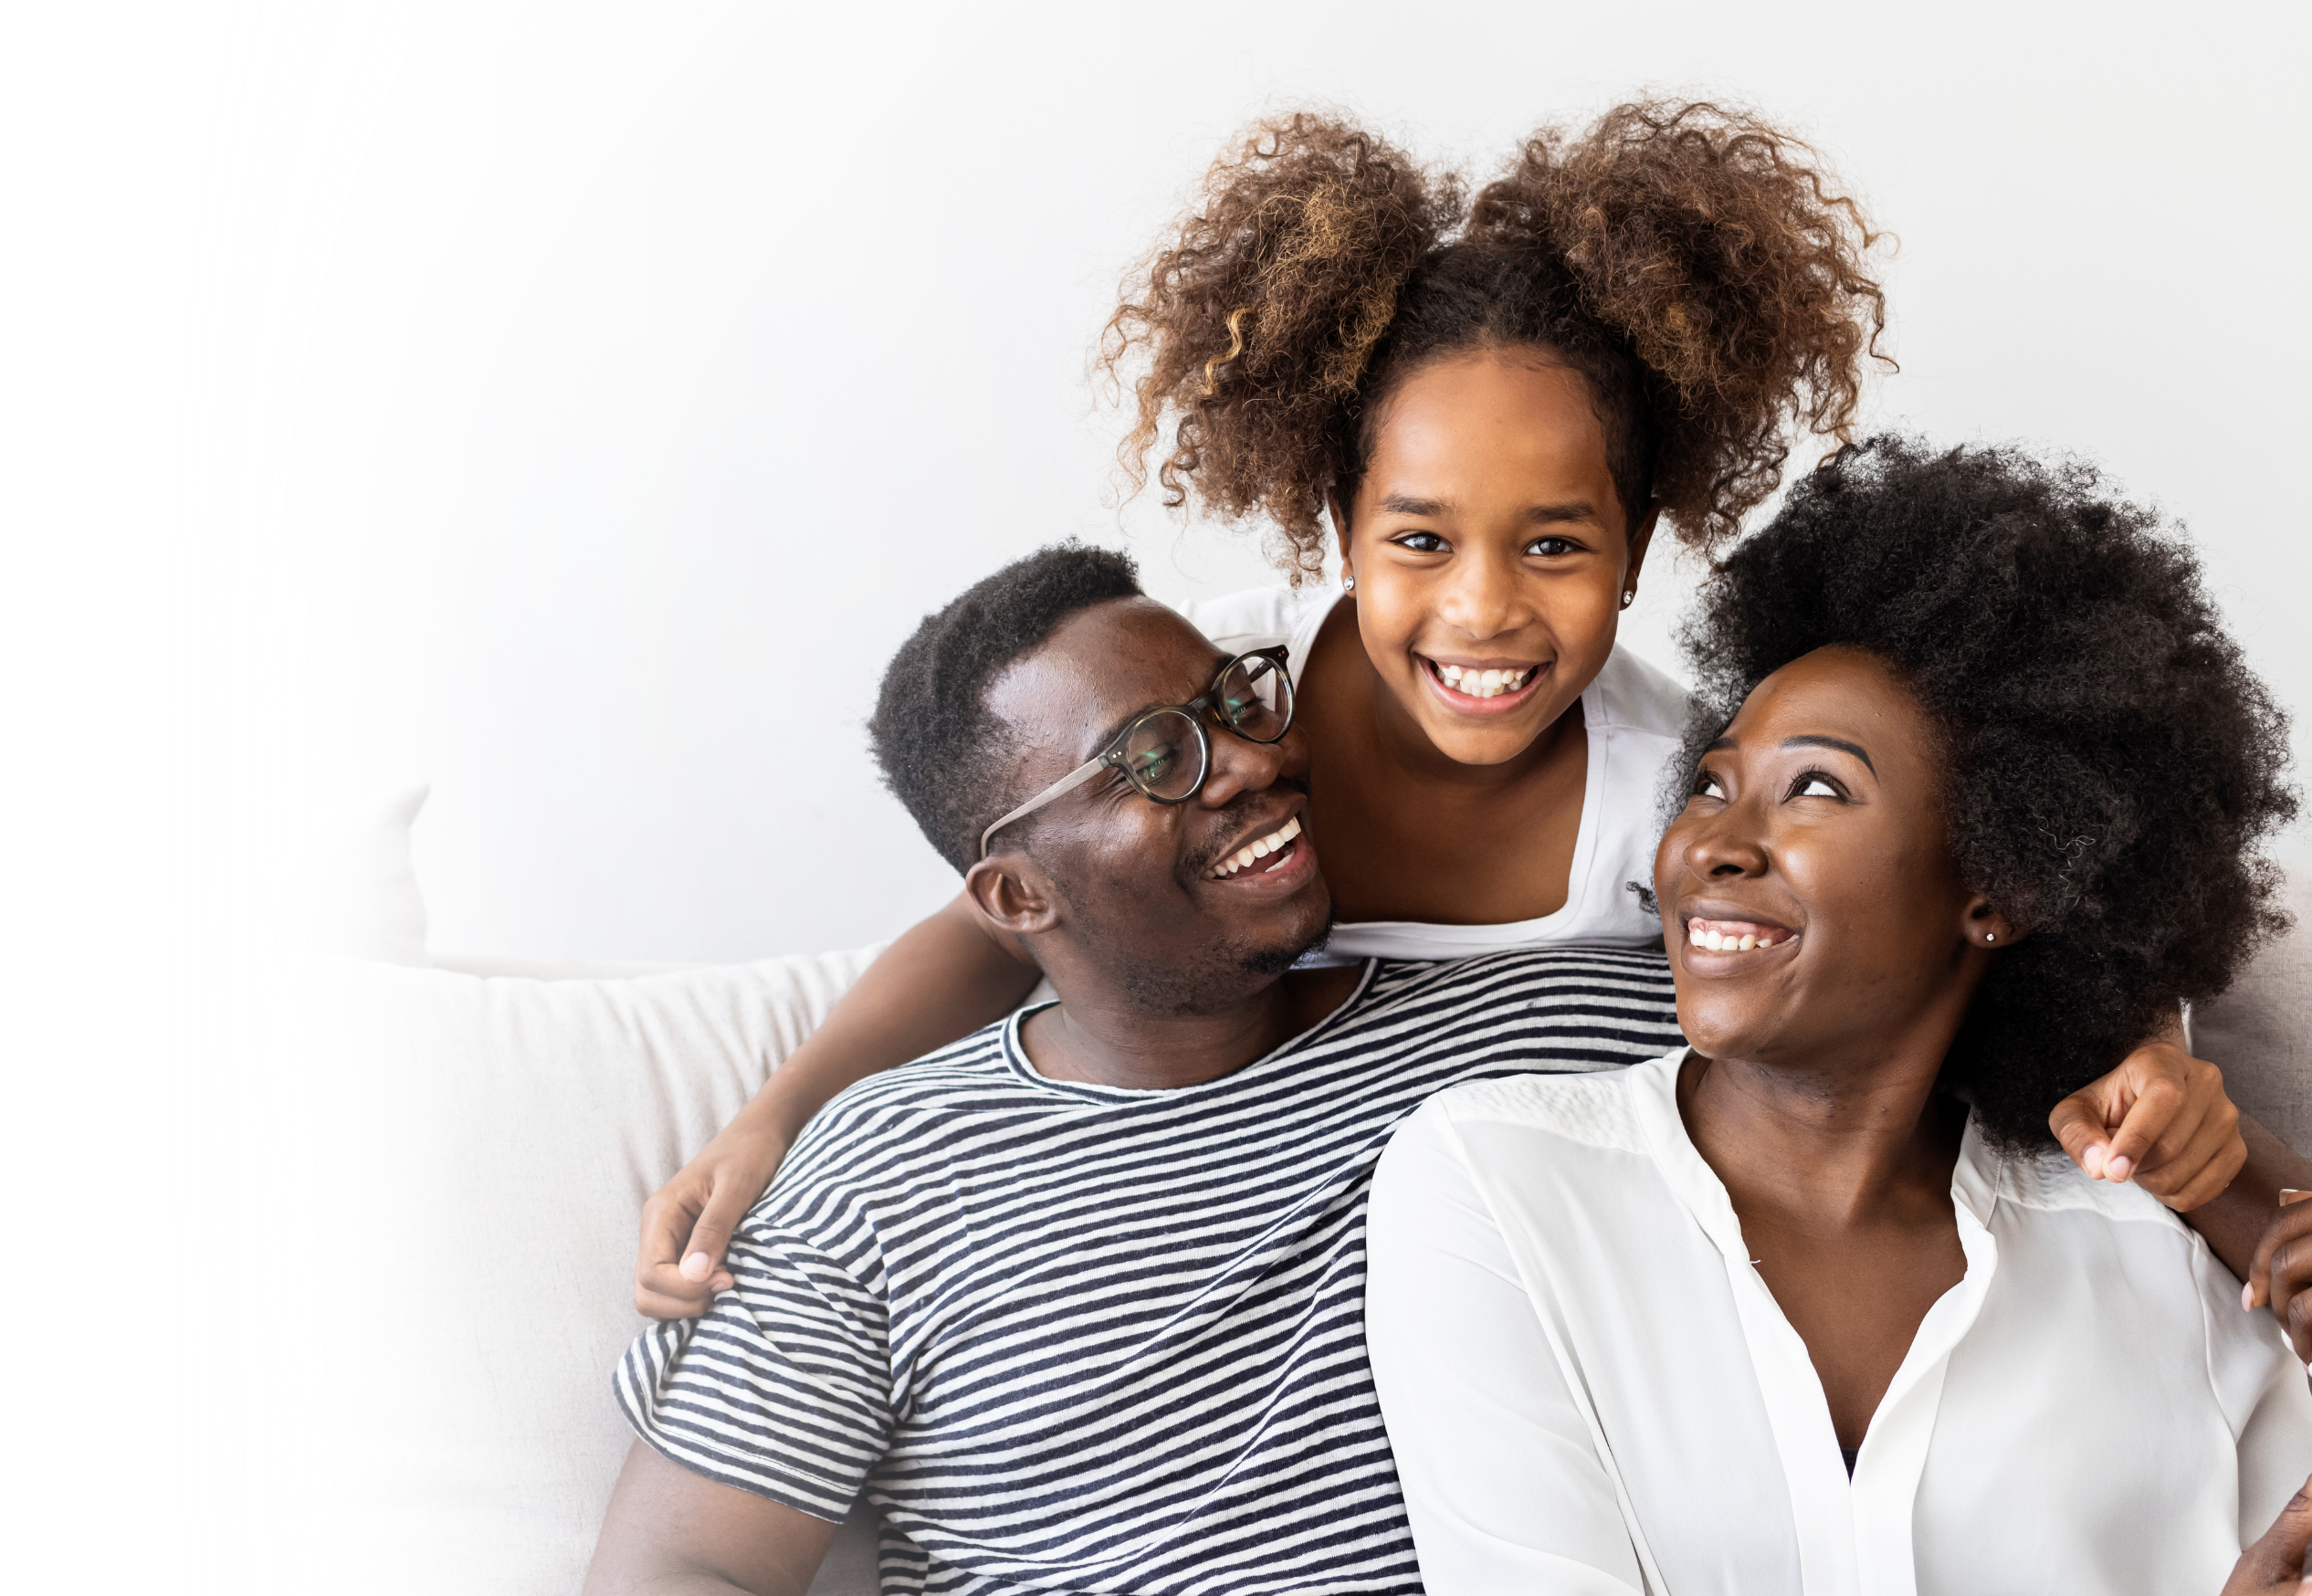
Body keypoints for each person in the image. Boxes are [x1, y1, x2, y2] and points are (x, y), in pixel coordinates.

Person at [636, 100, 2260, 1326]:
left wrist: (2154, 1080)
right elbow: (1003, 919)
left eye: (1554, 546)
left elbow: (1904, 951)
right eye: (1419, 541)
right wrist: (776, 1115)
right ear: (1334, 528)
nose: (1482, 612)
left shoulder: (1677, 794)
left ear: (1639, 548)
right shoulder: (1221, 702)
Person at [582, 546, 1690, 1596]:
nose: (1255, 760)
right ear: (1018, 896)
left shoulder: (1546, 1029)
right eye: (1157, 759)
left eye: (1238, 704)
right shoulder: (881, 1177)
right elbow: (675, 1570)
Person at [1364, 437, 2312, 1594]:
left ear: (1998, 888)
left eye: (1816, 787)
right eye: (1711, 783)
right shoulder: (1496, 1181)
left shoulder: (2153, 1256)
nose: (1714, 844)